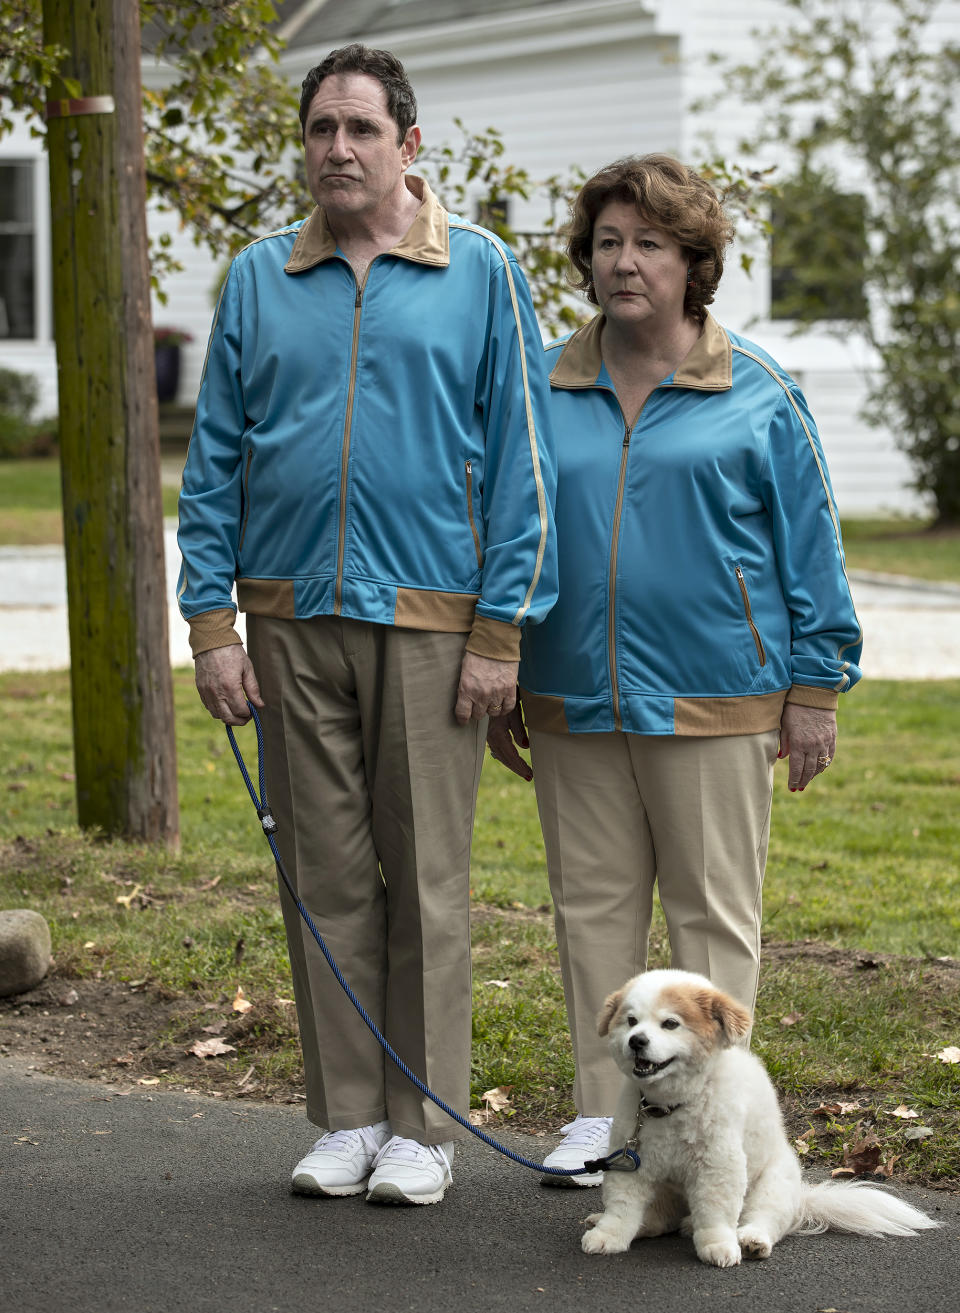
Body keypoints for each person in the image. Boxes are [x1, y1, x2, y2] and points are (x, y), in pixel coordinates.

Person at [177, 43, 557, 1207]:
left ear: (410, 142)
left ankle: (427, 1123)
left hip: (436, 627)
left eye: (360, 129)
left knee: (429, 880)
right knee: (327, 877)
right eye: (320, 130)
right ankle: (348, 1116)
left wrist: (501, 635)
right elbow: (214, 461)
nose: (337, 150)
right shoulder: (255, 277)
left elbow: (528, 467)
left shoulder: (481, 270)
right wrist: (210, 619)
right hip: (288, 622)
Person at [487, 154, 862, 1187]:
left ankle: (714, 1144)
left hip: (720, 699)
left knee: (710, 931)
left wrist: (817, 684)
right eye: (607, 242)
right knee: (593, 924)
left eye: (649, 243)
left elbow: (812, 545)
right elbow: (507, 532)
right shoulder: (543, 385)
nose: (624, 261)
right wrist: (504, 661)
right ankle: (609, 1133)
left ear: (694, 262)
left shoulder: (759, 392)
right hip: (572, 699)